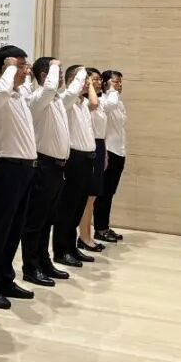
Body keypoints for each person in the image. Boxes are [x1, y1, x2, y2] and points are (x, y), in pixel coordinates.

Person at [0, 45, 37, 310]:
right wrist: (11, 67)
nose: (26, 71)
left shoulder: (19, 96)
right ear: (6, 67)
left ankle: (5, 278)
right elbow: (1, 89)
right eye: (21, 66)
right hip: (6, 167)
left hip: (25, 168)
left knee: (14, 228)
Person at [21, 57, 75, 286]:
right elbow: (50, 87)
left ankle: (44, 261)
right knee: (35, 221)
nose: (60, 77)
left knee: (48, 220)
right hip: (43, 165)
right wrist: (54, 65)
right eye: (57, 73)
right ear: (44, 76)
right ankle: (31, 267)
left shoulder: (57, 100)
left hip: (57, 167)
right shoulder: (37, 99)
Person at [53, 65, 97, 268]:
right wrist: (81, 73)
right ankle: (61, 250)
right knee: (68, 207)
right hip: (74, 159)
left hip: (87, 158)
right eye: (85, 81)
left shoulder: (83, 104)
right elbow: (71, 92)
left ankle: (71, 247)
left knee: (78, 206)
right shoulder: (66, 101)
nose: (87, 84)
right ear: (73, 82)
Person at [94, 70, 126, 243]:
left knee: (110, 193)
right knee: (103, 193)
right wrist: (111, 90)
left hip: (119, 151)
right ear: (105, 83)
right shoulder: (103, 101)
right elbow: (109, 106)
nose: (119, 85)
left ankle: (105, 226)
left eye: (120, 82)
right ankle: (100, 228)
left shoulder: (117, 102)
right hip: (108, 152)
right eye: (115, 82)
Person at [79, 68, 108, 252]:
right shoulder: (86, 103)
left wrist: (105, 153)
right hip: (90, 146)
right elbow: (93, 103)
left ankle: (87, 236)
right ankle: (84, 237)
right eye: (94, 80)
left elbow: (103, 130)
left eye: (99, 80)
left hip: (99, 145)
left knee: (93, 195)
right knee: (89, 196)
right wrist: (88, 84)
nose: (99, 83)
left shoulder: (100, 102)